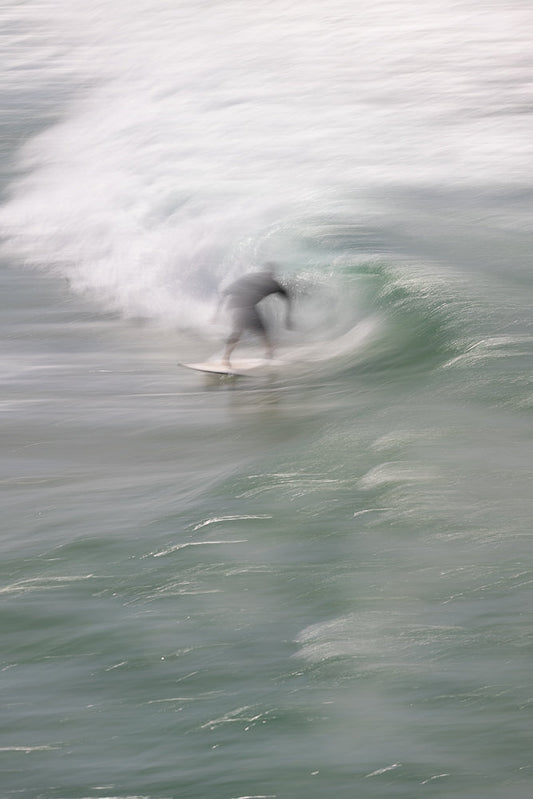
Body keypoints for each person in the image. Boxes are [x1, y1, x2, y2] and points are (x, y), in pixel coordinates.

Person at [216, 263, 292, 366]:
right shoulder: (265, 282)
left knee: (258, 330)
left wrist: (287, 317)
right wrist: (215, 313)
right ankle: (226, 359)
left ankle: (269, 353)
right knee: (241, 331)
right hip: (239, 306)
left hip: (243, 307)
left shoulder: (267, 282)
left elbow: (287, 297)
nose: (266, 276)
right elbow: (225, 292)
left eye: (268, 274)